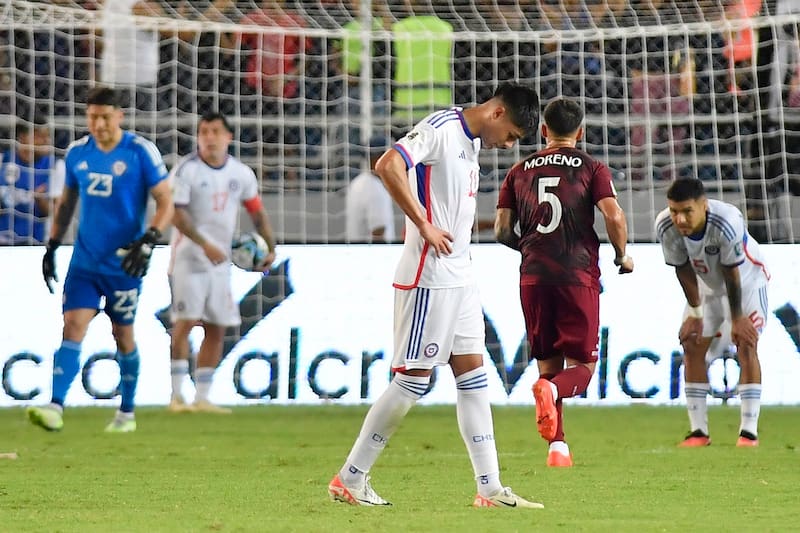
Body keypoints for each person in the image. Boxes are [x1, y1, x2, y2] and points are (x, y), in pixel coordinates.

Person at [328, 82, 544, 509]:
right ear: (497, 113)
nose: (508, 146)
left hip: (461, 276)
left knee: (474, 377)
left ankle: (490, 489)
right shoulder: (441, 128)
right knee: (412, 381)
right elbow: (388, 164)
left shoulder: (472, 142)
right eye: (511, 136)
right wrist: (423, 223)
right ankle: (351, 477)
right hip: (429, 277)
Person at [494, 97, 634, 468]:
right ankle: (552, 391)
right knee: (582, 370)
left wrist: (531, 250)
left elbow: (502, 230)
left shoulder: (518, 171)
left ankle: (558, 448)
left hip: (533, 278)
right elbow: (614, 216)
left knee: (547, 362)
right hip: (577, 275)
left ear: (543, 130)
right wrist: (621, 255)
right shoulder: (591, 167)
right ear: (580, 132)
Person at [27, 86, 173, 433]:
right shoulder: (78, 153)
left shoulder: (139, 152)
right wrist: (52, 245)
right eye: (93, 117)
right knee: (73, 325)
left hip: (124, 263)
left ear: (119, 116)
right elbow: (66, 203)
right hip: (85, 262)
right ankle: (55, 406)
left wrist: (150, 239)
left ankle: (126, 413)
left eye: (106, 117)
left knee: (122, 334)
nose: (99, 124)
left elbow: (166, 201)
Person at [168, 111, 277, 414]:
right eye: (204, 132)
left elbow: (257, 212)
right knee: (185, 323)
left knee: (217, 327)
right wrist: (204, 244)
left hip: (220, 263)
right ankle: (176, 396)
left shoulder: (241, 174)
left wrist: (271, 247)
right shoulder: (186, 170)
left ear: (228, 137)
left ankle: (202, 398)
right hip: (189, 259)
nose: (209, 138)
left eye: (215, 132)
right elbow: (176, 214)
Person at [655, 178, 769, 447]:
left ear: (703, 206)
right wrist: (695, 313)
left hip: (748, 284)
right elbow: (682, 268)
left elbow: (731, 271)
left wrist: (737, 318)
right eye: (674, 211)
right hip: (707, 288)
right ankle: (698, 432)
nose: (680, 219)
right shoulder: (665, 225)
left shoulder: (727, 221)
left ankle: (748, 433)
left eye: (687, 211)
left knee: (746, 344)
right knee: (691, 343)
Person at [0, 118, 65, 245]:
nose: (46, 141)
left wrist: (40, 199)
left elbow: (54, 213)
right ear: (22, 138)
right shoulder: (3, 160)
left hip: (36, 242)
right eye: (39, 136)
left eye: (47, 136)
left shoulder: (56, 166)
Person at [345, 137, 396, 243]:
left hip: (356, 248)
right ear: (378, 159)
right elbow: (378, 232)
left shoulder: (358, 182)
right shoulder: (375, 189)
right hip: (372, 251)